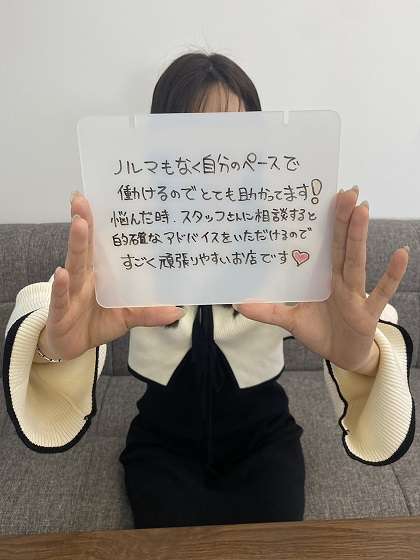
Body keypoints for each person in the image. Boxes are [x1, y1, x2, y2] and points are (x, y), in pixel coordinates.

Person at [2, 52, 415, 529]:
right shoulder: (126, 231)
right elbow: (57, 301)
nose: (214, 162)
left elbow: (351, 320)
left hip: (264, 436)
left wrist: (365, 356)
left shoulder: (288, 233)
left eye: (234, 139)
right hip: (162, 439)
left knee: (273, 537)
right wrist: (51, 346)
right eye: (190, 138)